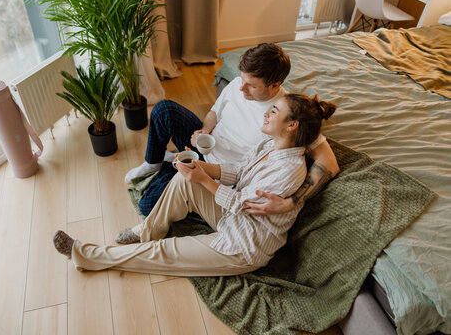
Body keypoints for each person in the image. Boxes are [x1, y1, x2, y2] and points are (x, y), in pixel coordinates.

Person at [52, 94, 337, 276]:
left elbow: (244, 205)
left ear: (292, 126)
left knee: (165, 253)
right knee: (182, 180)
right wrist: (202, 168)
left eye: (274, 111)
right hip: (231, 219)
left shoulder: (290, 170)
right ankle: (148, 231)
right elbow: (237, 172)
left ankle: (85, 255)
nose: (266, 113)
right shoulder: (268, 143)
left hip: (244, 245)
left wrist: (203, 180)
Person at [124, 43, 339, 217]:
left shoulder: (289, 111)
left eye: (252, 86)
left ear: (275, 84)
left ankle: (174, 164)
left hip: (222, 173)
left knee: (147, 205)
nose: (241, 88)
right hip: (205, 146)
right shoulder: (238, 83)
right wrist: (205, 130)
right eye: (242, 79)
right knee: (164, 109)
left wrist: (291, 202)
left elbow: (330, 163)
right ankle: (153, 163)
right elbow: (214, 113)